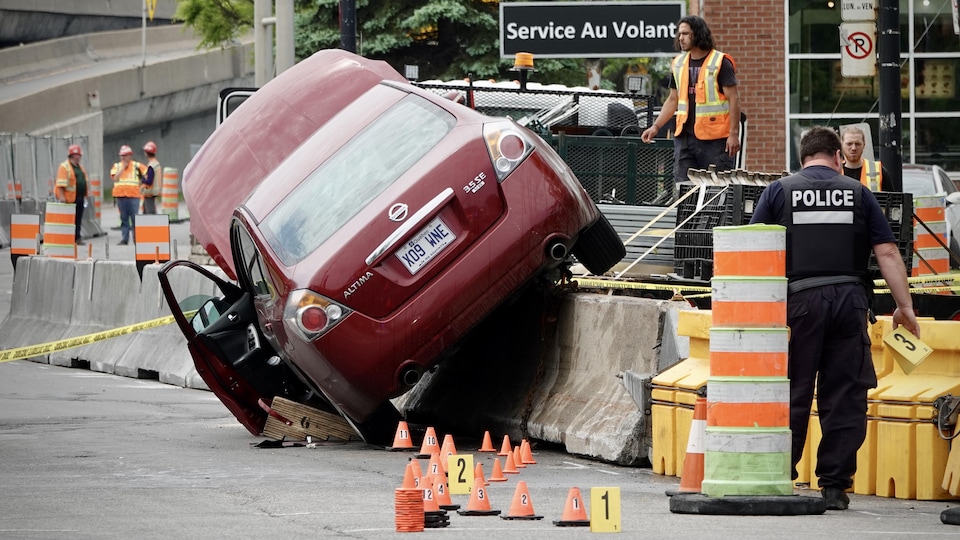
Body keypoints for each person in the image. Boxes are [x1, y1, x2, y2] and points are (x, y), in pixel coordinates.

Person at [749, 126, 920, 510]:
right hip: (850, 302)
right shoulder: (859, 192)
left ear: (802, 159)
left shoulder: (778, 191)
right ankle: (834, 486)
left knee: (791, 391)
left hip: (799, 305)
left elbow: (755, 248)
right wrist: (905, 306)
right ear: (839, 157)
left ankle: (778, 476)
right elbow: (887, 252)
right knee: (845, 394)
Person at [640, 15, 740, 184]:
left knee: (716, 191)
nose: (680, 38)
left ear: (698, 34)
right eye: (679, 34)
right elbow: (673, 99)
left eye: (685, 34)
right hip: (685, 139)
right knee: (683, 190)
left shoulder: (720, 62)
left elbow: (734, 99)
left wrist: (734, 134)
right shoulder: (678, 64)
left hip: (715, 140)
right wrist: (656, 127)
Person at [110, 144, 147, 245]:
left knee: (135, 219)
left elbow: (148, 174)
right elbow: (115, 178)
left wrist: (143, 185)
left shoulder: (136, 166)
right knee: (124, 218)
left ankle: (136, 239)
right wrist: (122, 168)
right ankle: (124, 239)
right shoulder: (117, 166)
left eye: (125, 155)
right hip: (121, 196)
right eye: (122, 155)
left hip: (133, 196)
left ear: (130, 155)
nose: (123, 158)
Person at [840, 126, 893, 191]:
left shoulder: (879, 171)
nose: (853, 148)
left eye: (858, 144)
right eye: (849, 144)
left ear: (864, 145)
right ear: (841, 145)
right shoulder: (834, 171)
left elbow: (891, 196)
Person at [55, 144, 88, 244]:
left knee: (78, 219)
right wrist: (62, 196)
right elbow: (60, 183)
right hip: (69, 198)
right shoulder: (65, 167)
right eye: (79, 155)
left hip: (79, 197)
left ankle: (77, 238)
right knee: (69, 220)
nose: (80, 157)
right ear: (74, 155)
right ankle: (69, 239)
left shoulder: (80, 167)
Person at [141, 141, 161, 214]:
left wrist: (142, 180)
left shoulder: (151, 166)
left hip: (149, 193)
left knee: (150, 215)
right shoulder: (156, 163)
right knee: (146, 213)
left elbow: (149, 181)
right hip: (152, 193)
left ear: (146, 153)